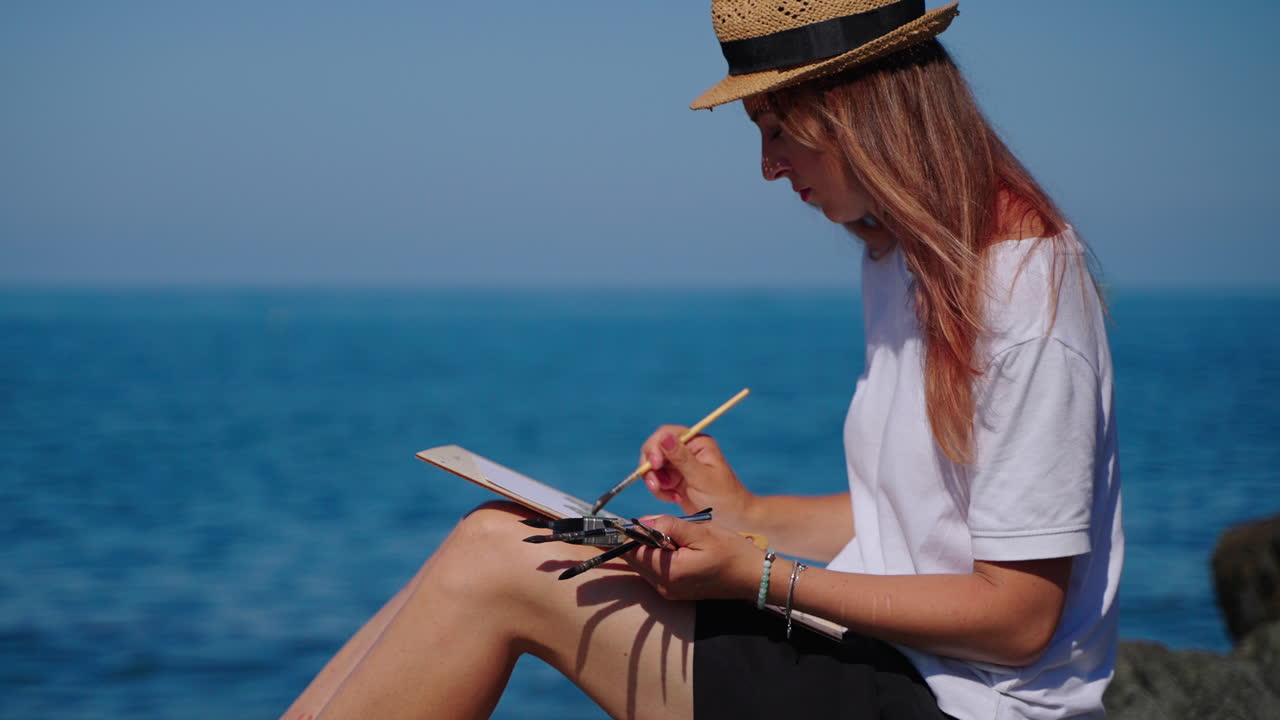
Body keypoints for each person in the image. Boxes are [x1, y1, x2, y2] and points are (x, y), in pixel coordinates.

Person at [279, 1, 1122, 718]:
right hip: (887, 658)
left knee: (496, 565)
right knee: (491, 533)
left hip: (960, 701)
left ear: (863, 109)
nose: (768, 167)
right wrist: (746, 513)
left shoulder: (1021, 293)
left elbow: (1018, 620)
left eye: (780, 130)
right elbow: (922, 526)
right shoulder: (903, 258)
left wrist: (759, 575)